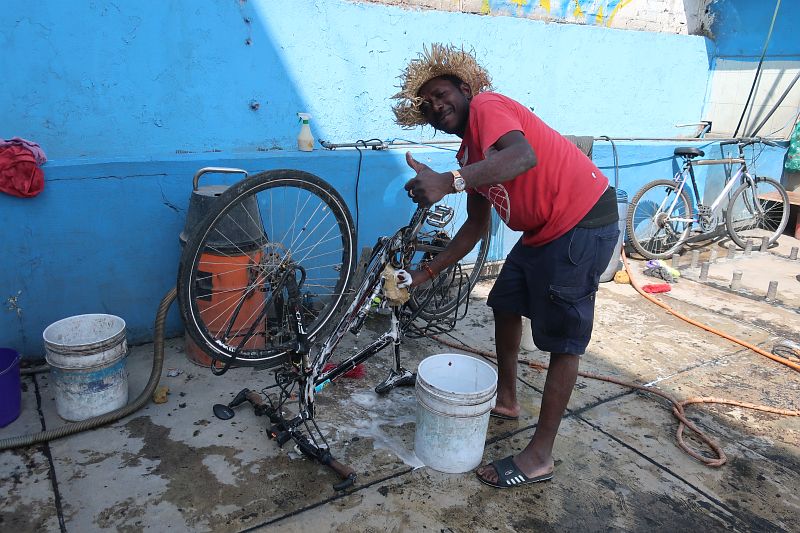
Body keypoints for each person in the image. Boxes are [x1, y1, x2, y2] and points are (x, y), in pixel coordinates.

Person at [392, 44, 619, 488]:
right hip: (541, 232)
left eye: (441, 94)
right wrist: (423, 275)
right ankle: (508, 400)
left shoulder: (488, 106)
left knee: (563, 341)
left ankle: (539, 457)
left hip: (583, 220)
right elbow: (476, 226)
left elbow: (522, 157)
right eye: (427, 106)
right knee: (506, 302)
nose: (436, 106)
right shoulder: (468, 157)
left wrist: (449, 182)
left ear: (464, 89)